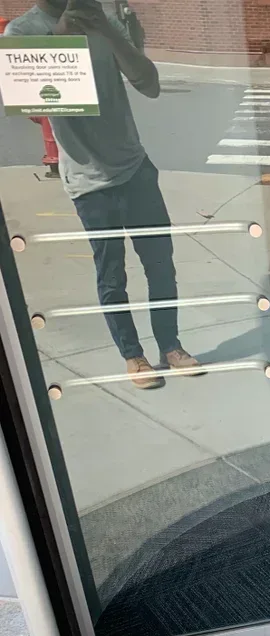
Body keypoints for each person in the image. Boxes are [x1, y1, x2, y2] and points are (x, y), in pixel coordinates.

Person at [5, 0, 202, 389]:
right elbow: (33, 104)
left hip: (135, 166)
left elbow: (150, 84)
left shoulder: (103, 19)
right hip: (87, 178)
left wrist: (109, 32)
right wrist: (60, 41)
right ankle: (133, 356)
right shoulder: (21, 33)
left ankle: (170, 345)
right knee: (112, 274)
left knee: (161, 265)